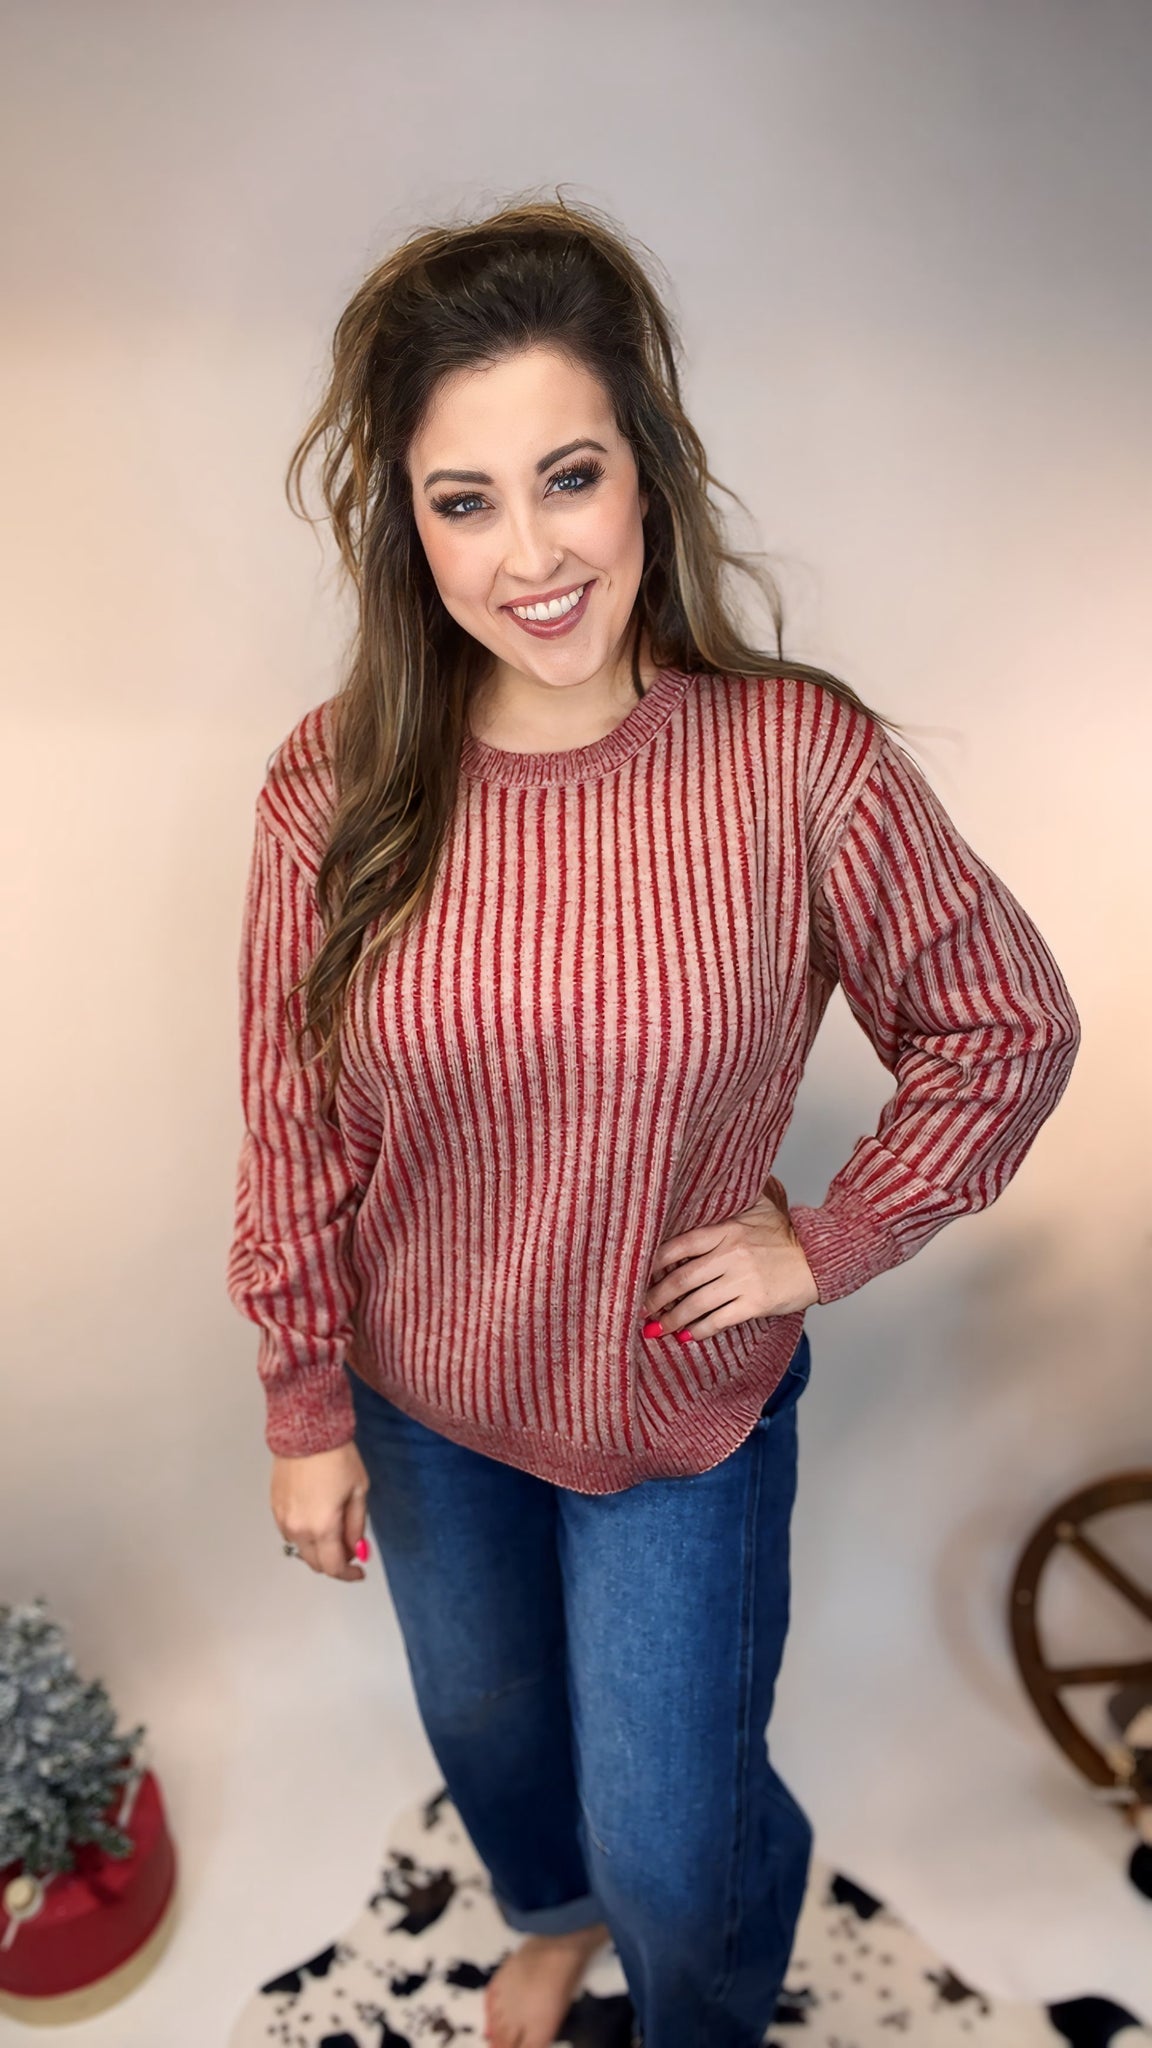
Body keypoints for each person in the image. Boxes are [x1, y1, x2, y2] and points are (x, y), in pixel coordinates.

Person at [226, 194, 1081, 2048]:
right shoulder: (337, 783)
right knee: (492, 1737)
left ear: (647, 469)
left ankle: (693, 2006)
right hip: (421, 1393)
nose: (531, 555)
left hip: (674, 1410)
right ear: (408, 523)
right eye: (465, 501)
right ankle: (549, 1917)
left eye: (570, 477)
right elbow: (293, 1121)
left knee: (678, 1844)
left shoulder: (794, 763)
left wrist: (827, 1239)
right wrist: (305, 1401)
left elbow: (1005, 1024)